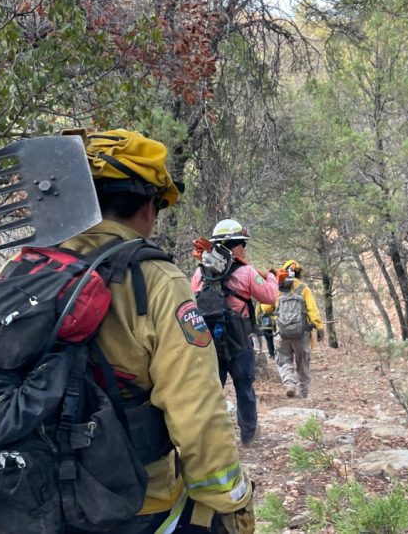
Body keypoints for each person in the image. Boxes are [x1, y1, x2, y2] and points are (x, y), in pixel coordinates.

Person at [59, 129, 254, 534]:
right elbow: (196, 407)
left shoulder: (23, 271)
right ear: (148, 207)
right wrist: (231, 497)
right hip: (133, 499)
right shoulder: (155, 280)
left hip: (32, 495)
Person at [191, 219, 279, 447]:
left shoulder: (200, 273)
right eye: (243, 243)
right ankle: (248, 435)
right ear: (235, 245)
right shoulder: (247, 272)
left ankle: (210, 440)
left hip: (209, 339)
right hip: (239, 339)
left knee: (211, 390)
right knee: (244, 387)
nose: (245, 249)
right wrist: (271, 277)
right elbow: (269, 297)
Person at [258, 260, 324, 399]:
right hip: (301, 333)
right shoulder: (303, 288)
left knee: (284, 360)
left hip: (281, 333)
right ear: (299, 273)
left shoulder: (277, 288)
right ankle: (304, 393)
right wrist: (319, 327)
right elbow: (312, 310)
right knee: (303, 362)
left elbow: (266, 308)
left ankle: (289, 384)